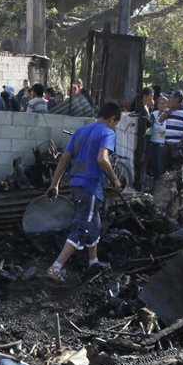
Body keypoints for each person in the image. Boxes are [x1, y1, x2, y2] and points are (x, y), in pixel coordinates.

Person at [45, 102, 123, 281]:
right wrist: (115, 180)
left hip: (77, 185)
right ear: (113, 119)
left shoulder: (80, 131)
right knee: (81, 226)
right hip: (90, 186)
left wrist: (55, 184)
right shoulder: (108, 133)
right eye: (116, 123)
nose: (115, 127)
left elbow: (64, 158)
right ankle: (55, 267)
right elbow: (102, 159)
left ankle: (93, 262)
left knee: (93, 222)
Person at [159, 90, 183, 184]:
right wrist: (170, 110)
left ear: (177, 99)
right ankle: (165, 189)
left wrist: (182, 141)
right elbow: (160, 119)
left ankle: (178, 190)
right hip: (166, 144)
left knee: (178, 171)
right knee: (165, 169)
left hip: (178, 145)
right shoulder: (168, 109)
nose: (169, 99)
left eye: (171, 97)